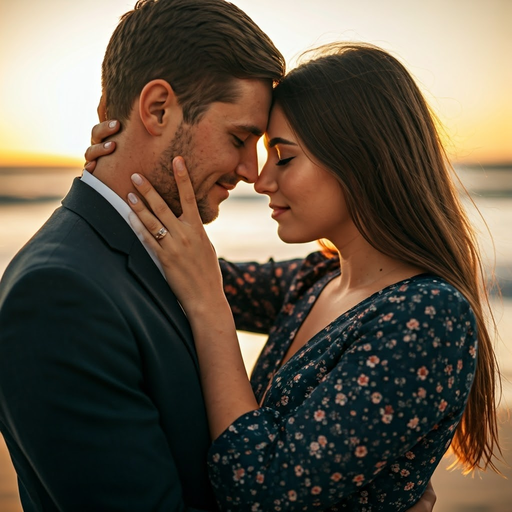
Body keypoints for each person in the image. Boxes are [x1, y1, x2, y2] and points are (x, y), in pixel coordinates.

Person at [88, 42, 500, 511]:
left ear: (361, 161)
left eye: (283, 157)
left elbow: (261, 493)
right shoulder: (317, 279)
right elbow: (179, 263)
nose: (261, 180)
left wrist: (211, 312)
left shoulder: (427, 318)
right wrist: (126, 163)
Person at [0, 0, 285, 510]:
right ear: (157, 109)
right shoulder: (58, 297)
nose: (251, 170)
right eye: (240, 138)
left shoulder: (157, 255)